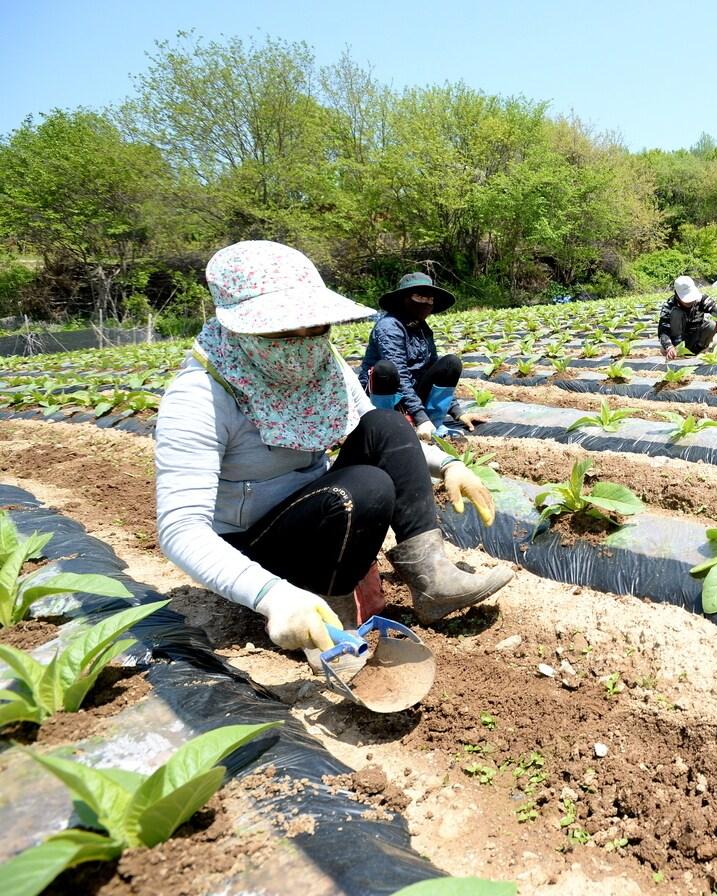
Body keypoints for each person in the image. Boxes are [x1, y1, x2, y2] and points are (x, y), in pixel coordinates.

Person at [156, 241, 514, 660]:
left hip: (312, 512)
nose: (304, 343)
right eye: (283, 331)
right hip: (254, 546)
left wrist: (447, 465)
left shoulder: (319, 360)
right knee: (365, 488)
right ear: (238, 327)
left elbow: (377, 431)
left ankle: (434, 580)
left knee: (384, 422)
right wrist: (272, 596)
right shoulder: (199, 395)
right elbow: (181, 528)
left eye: (315, 327)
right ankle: (329, 618)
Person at [359, 272, 473, 441]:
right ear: (404, 299)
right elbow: (400, 374)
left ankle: (433, 422)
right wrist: (420, 416)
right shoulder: (389, 326)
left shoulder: (422, 328)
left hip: (411, 390)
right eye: (420, 297)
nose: (426, 303)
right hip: (385, 391)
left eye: (430, 300)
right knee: (386, 369)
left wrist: (457, 412)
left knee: (450, 363)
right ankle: (387, 423)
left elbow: (432, 366)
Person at [658, 275, 717, 360]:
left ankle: (699, 350)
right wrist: (669, 347)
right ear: (677, 295)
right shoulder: (669, 306)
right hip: (677, 343)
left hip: (696, 338)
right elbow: (663, 331)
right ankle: (678, 352)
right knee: (676, 313)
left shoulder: (701, 299)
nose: (690, 302)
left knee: (711, 325)